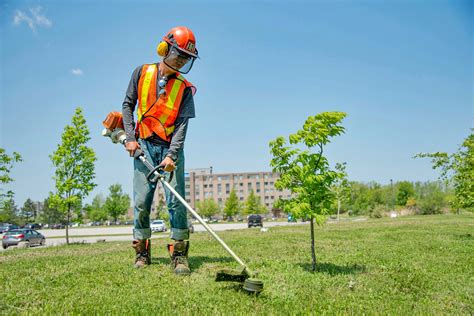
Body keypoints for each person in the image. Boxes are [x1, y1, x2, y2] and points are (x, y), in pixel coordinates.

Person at [121, 26, 198, 275]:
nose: (181, 61)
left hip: (169, 149)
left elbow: (182, 127)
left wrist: (171, 156)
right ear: (164, 49)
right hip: (143, 145)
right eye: (178, 55)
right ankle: (142, 250)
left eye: (186, 58)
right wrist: (130, 139)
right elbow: (128, 105)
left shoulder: (184, 88)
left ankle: (179, 253)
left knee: (176, 202)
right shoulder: (141, 73)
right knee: (142, 201)